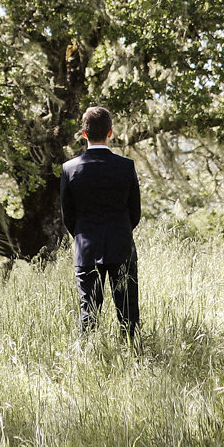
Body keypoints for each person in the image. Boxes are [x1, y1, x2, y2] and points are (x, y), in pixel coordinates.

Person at [60, 105, 140, 338]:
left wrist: (83, 234)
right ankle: (133, 358)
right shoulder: (126, 167)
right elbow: (134, 212)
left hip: (86, 247)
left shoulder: (69, 169)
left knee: (89, 313)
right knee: (128, 312)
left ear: (83, 134)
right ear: (110, 132)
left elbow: (68, 216)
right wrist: (121, 231)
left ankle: (87, 358)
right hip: (121, 244)